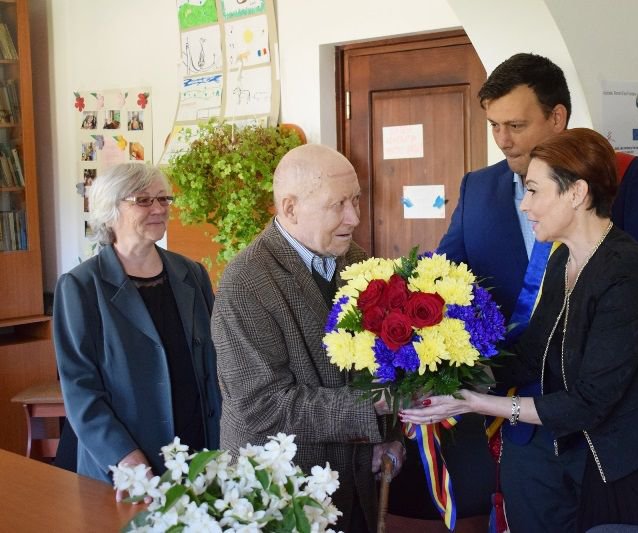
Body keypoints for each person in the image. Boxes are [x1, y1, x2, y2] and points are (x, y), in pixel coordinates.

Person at [401, 128, 638, 533]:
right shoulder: (564, 262)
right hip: (608, 457)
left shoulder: (626, 274)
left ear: (576, 193)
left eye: (534, 191)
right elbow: (531, 355)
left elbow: (589, 402)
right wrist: (454, 378)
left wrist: (473, 402)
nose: (525, 206)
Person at [422, 52, 638, 527]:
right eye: (493, 126)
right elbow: (442, 282)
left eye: (517, 125)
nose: (503, 140)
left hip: (610, 427)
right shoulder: (477, 188)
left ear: (557, 117)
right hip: (520, 425)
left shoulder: (626, 179)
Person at [211, 143, 404, 533]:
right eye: (337, 205)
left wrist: (389, 436)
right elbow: (262, 405)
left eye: (356, 201)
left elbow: (384, 361)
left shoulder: (359, 262)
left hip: (356, 485)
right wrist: (376, 408)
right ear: (290, 208)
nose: (353, 217)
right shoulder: (245, 282)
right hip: (282, 496)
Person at [53, 162, 221, 499]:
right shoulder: (81, 286)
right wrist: (126, 460)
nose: (159, 209)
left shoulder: (192, 274)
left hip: (199, 456)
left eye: (163, 199)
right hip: (126, 468)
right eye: (143, 200)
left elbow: (216, 366)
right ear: (110, 211)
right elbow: (80, 391)